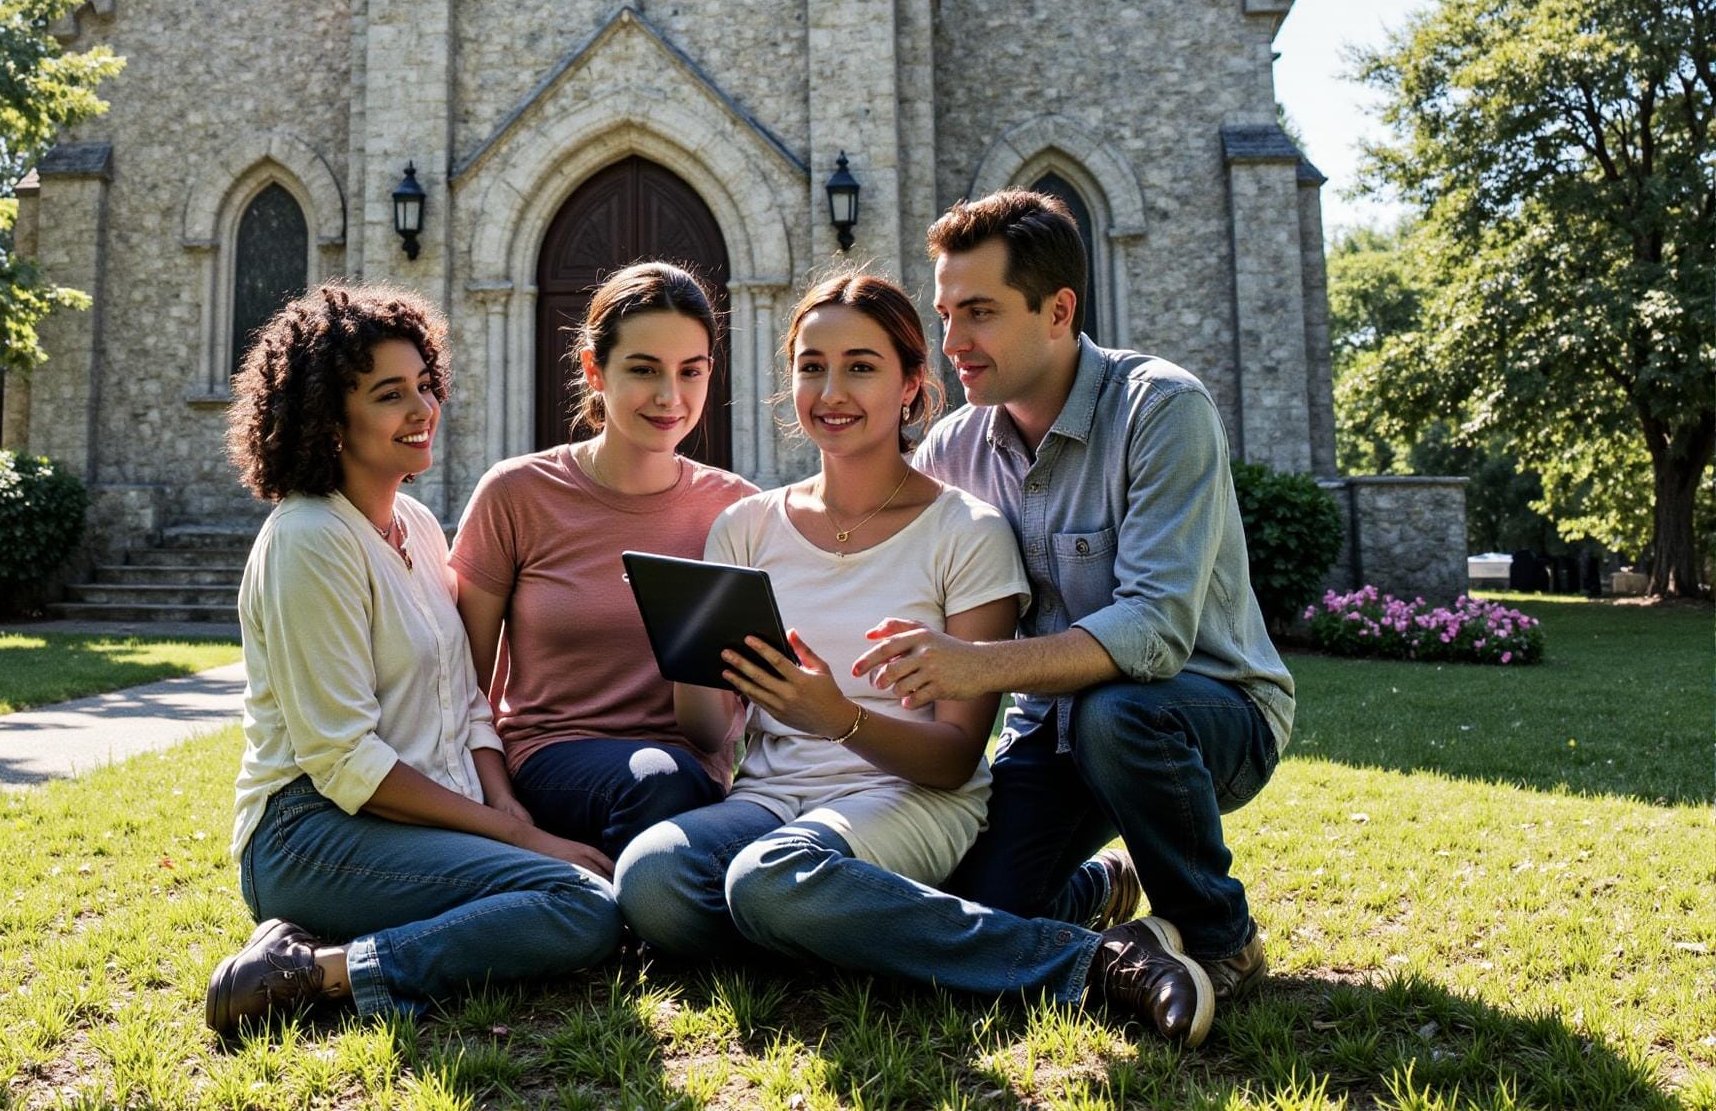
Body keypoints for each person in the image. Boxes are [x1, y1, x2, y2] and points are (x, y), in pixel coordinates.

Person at [615, 273, 1222, 1047]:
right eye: (811, 365)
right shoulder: (745, 527)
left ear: (912, 385)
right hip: (771, 801)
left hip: (913, 799)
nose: (831, 390)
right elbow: (705, 733)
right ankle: (870, 935)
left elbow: (952, 757)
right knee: (651, 880)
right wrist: (690, 651)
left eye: (862, 366)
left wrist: (837, 718)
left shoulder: (965, 531)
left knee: (769, 880)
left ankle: (1091, 964)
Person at [857, 188, 1295, 1011]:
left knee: (1119, 712)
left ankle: (1217, 935)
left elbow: (1156, 633)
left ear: (1058, 310)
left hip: (1205, 716)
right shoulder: (957, 447)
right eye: (946, 315)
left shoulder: (1164, 409)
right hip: (1050, 734)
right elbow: (892, 567)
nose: (954, 342)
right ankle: (1097, 891)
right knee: (980, 914)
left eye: (979, 313)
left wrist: (974, 666)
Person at [204, 281, 621, 1035]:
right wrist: (513, 837)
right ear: (330, 419)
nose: (423, 409)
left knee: (577, 885)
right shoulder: (308, 539)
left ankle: (313, 945)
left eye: (425, 385)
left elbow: (466, 703)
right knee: (578, 905)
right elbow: (344, 760)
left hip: (411, 815)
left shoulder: (420, 525)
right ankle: (312, 975)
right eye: (390, 394)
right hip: (307, 833)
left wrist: (509, 807)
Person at [449, 261, 758, 856]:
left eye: (689, 372)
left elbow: (743, 703)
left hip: (693, 776)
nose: (670, 397)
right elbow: (462, 682)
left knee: (670, 780)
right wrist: (500, 805)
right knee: (656, 781)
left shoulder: (740, 510)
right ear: (594, 369)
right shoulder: (516, 494)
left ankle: (601, 902)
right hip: (549, 762)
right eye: (643, 370)